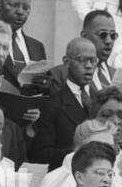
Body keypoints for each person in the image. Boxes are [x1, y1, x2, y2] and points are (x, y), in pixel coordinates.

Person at [30, 37, 98, 168]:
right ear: (66, 62)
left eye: (93, 60)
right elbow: (40, 155)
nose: (89, 66)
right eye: (82, 60)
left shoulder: (100, 101)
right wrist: (77, 153)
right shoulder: (52, 104)